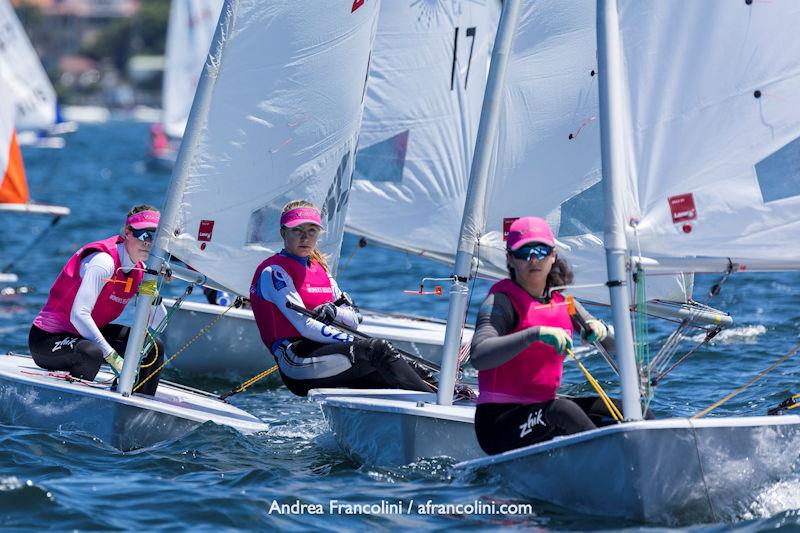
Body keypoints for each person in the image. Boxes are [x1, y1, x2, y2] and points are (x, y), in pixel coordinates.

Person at [470, 216, 648, 455]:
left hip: (540, 412)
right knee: (563, 411)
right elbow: (479, 355)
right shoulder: (501, 301)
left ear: (553, 255)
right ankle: (614, 463)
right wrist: (534, 335)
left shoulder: (565, 303)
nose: (534, 259)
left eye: (541, 250)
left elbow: (617, 345)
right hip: (499, 423)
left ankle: (651, 459)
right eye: (524, 252)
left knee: (624, 408)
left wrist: (602, 331)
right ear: (511, 259)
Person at [249, 199, 435, 397]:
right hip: (296, 361)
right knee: (378, 350)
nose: (305, 237)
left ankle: (454, 397)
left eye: (311, 230)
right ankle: (435, 411)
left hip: (327, 356)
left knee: (412, 368)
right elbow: (304, 326)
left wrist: (334, 311)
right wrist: (357, 343)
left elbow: (353, 319)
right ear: (283, 232)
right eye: (297, 230)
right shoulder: (274, 271)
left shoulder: (321, 271)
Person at [28, 205, 166, 396]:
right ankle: (69, 408)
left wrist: (153, 286)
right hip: (48, 339)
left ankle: (137, 408)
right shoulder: (104, 261)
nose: (149, 243)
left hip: (86, 337)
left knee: (153, 347)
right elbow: (79, 315)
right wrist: (111, 356)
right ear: (128, 232)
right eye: (144, 235)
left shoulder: (141, 271)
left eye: (155, 237)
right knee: (91, 353)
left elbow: (160, 323)